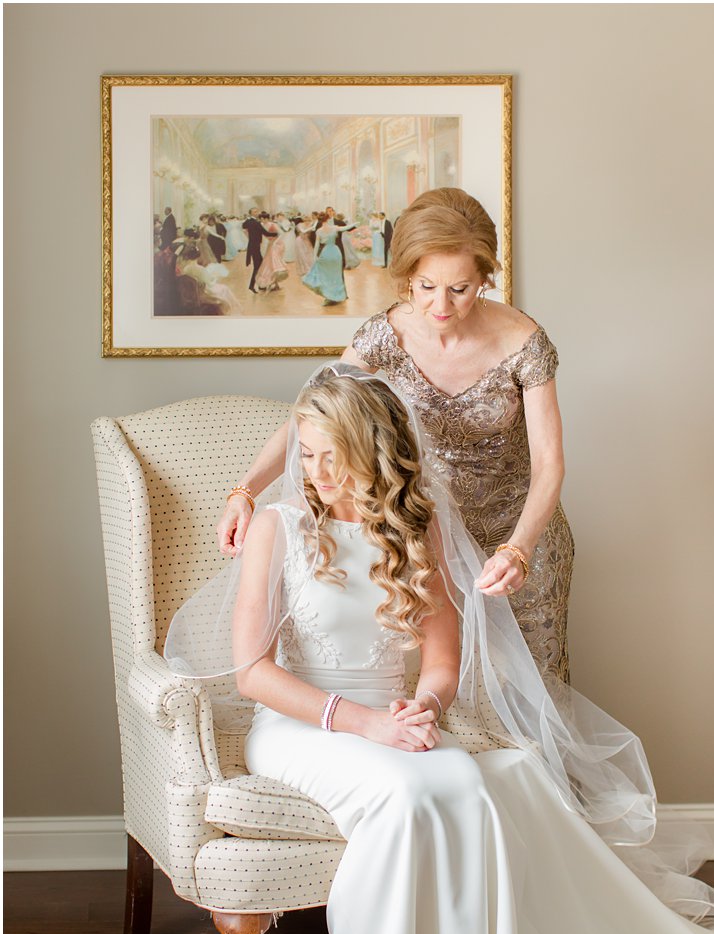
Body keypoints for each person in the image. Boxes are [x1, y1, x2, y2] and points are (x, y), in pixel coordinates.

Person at [169, 368, 714, 934]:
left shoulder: (418, 527)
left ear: (371, 449)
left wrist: (425, 703)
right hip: (301, 724)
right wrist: (367, 723)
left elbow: (442, 657)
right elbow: (252, 674)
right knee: (414, 793)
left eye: (326, 456)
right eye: (304, 455)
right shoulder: (279, 526)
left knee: (471, 787)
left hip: (396, 716)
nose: (310, 472)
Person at [219, 188, 574, 683]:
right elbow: (314, 418)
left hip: (517, 536)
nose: (441, 305)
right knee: (439, 685)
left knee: (532, 692)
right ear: (407, 276)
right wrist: (244, 490)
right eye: (426, 286)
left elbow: (550, 464)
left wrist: (519, 549)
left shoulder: (524, 343)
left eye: (461, 288)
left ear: (486, 278)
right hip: (422, 539)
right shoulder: (383, 336)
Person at [300, 214, 354, 305]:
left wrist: (315, 256)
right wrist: (354, 224)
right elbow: (345, 228)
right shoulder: (333, 228)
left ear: (320, 221)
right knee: (336, 276)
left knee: (326, 276)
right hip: (335, 253)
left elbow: (317, 245)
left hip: (326, 253)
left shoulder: (319, 231)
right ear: (328, 219)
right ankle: (336, 296)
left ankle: (329, 297)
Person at [253, 214, 287, 293]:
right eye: (261, 219)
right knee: (269, 263)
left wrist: (276, 242)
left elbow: (281, 233)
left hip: (277, 244)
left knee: (273, 262)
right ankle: (275, 283)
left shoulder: (273, 225)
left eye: (263, 219)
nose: (262, 221)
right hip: (269, 244)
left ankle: (274, 283)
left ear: (267, 219)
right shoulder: (261, 225)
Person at [242, 210, 267, 292]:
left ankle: (258, 285)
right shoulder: (252, 222)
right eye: (255, 211)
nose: (257, 212)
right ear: (251, 213)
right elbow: (265, 233)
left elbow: (244, 226)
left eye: (257, 211)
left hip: (255, 246)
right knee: (257, 267)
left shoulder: (254, 222)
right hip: (254, 247)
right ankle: (254, 285)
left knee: (260, 266)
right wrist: (276, 234)